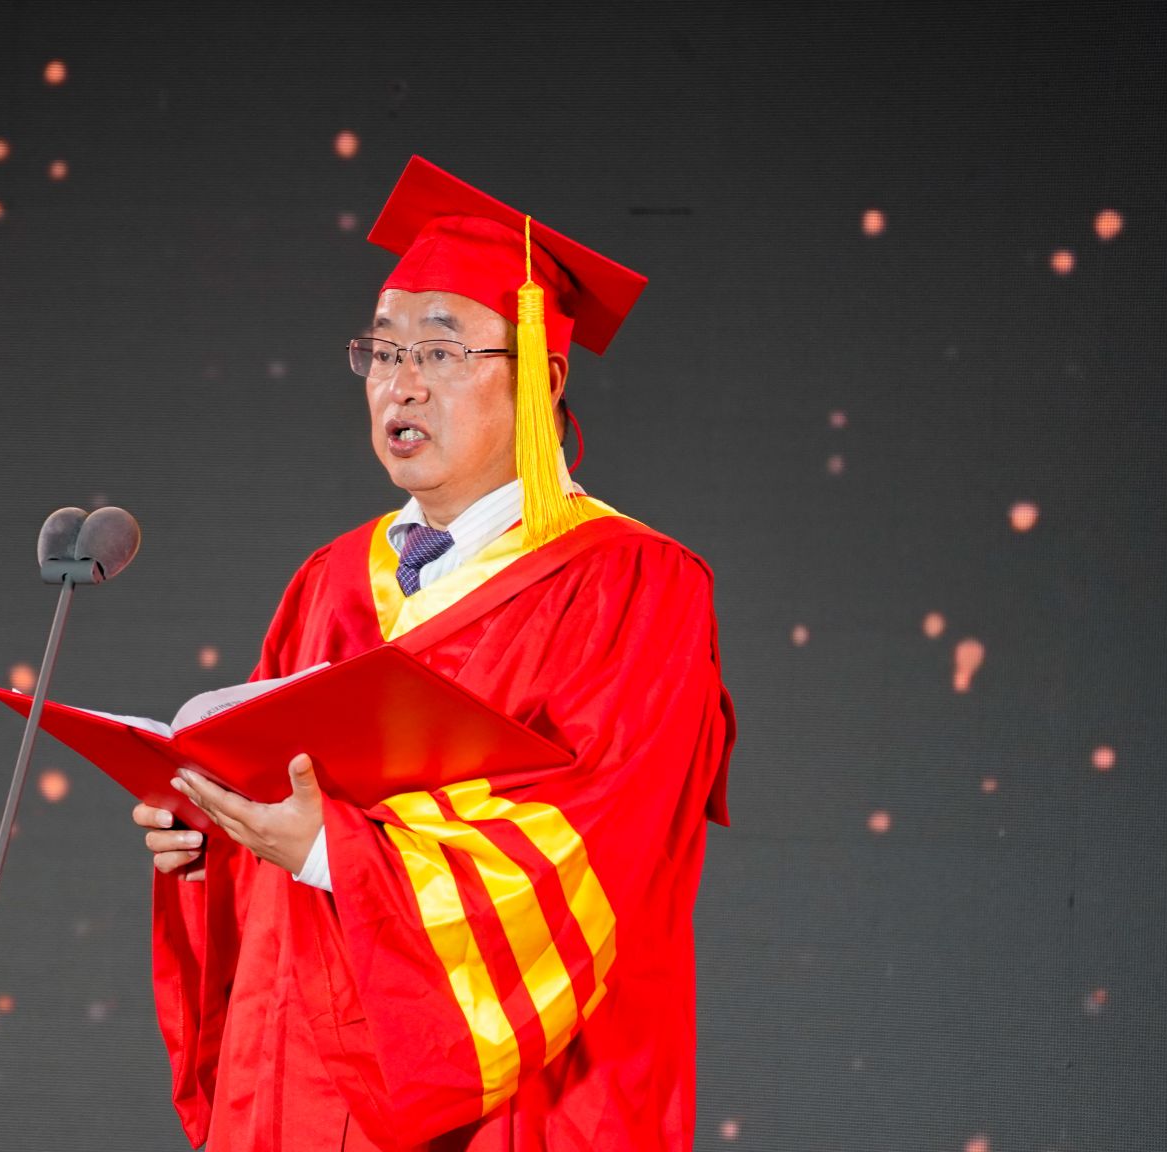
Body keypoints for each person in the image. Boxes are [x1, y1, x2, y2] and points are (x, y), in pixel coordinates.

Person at [131, 156, 737, 1151]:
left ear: (541, 379)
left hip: (520, 1100)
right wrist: (216, 835)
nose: (399, 383)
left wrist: (331, 850)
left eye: (442, 350)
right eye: (380, 349)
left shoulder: (632, 582)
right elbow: (277, 811)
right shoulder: (331, 579)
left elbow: (597, 847)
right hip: (300, 1082)